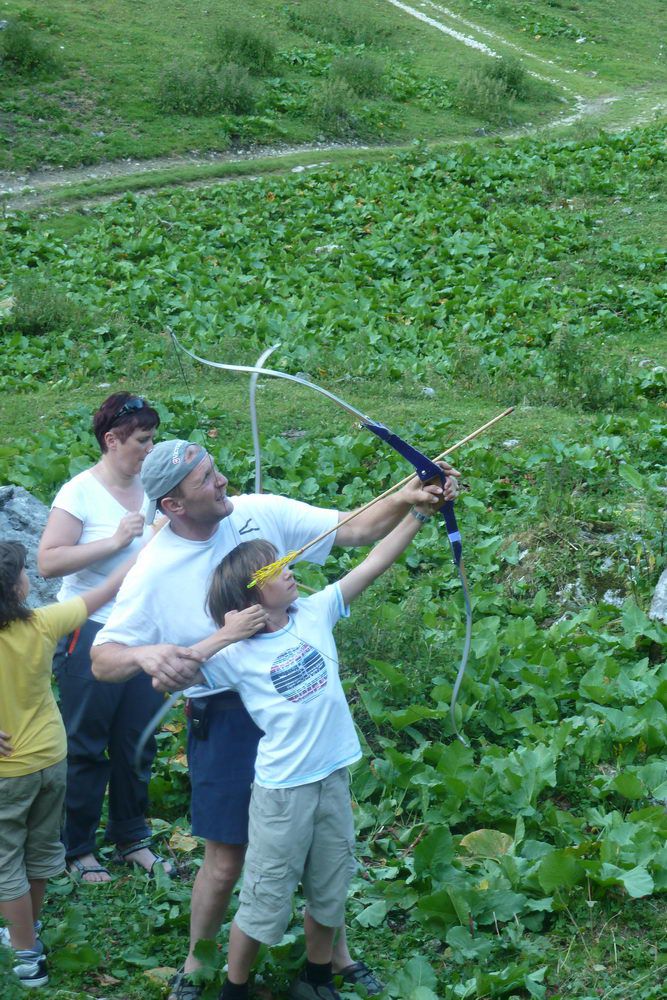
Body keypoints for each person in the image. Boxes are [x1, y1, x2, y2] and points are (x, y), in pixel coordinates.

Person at [90, 438, 458, 1000]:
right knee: (227, 854)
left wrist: (414, 497)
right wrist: (145, 656)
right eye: (207, 482)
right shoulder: (153, 570)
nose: (222, 482)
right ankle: (198, 964)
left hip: (296, 705)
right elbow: (101, 657)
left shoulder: (255, 514)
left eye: (216, 469)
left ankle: (331, 959)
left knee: (325, 845)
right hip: (227, 710)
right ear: (173, 507)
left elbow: (357, 531)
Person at [187, 494, 438, 1000]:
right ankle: (235, 988)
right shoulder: (235, 654)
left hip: (332, 779)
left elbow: (374, 561)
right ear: (251, 595)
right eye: (276, 568)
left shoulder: (314, 612)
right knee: (264, 901)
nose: (289, 569)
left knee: (329, 890)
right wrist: (225, 634)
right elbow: (171, 676)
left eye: (284, 561)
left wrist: (418, 514)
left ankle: (317, 977)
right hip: (283, 793)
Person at [37, 392, 166, 883]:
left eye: (152, 439)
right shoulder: (79, 493)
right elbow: (49, 560)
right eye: (142, 440)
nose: (150, 449)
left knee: (139, 736)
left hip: (144, 629)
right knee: (87, 741)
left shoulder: (152, 486)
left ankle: (131, 836)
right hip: (90, 626)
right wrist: (113, 541)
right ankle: (78, 847)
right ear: (111, 440)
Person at [0, 541, 135, 988]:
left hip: (7, 772)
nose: (30, 578)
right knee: (40, 852)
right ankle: (29, 929)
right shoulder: (43, 623)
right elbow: (108, 589)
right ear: (16, 590)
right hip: (52, 759)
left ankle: (26, 955)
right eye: (24, 573)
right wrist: (148, 538)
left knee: (5, 862)